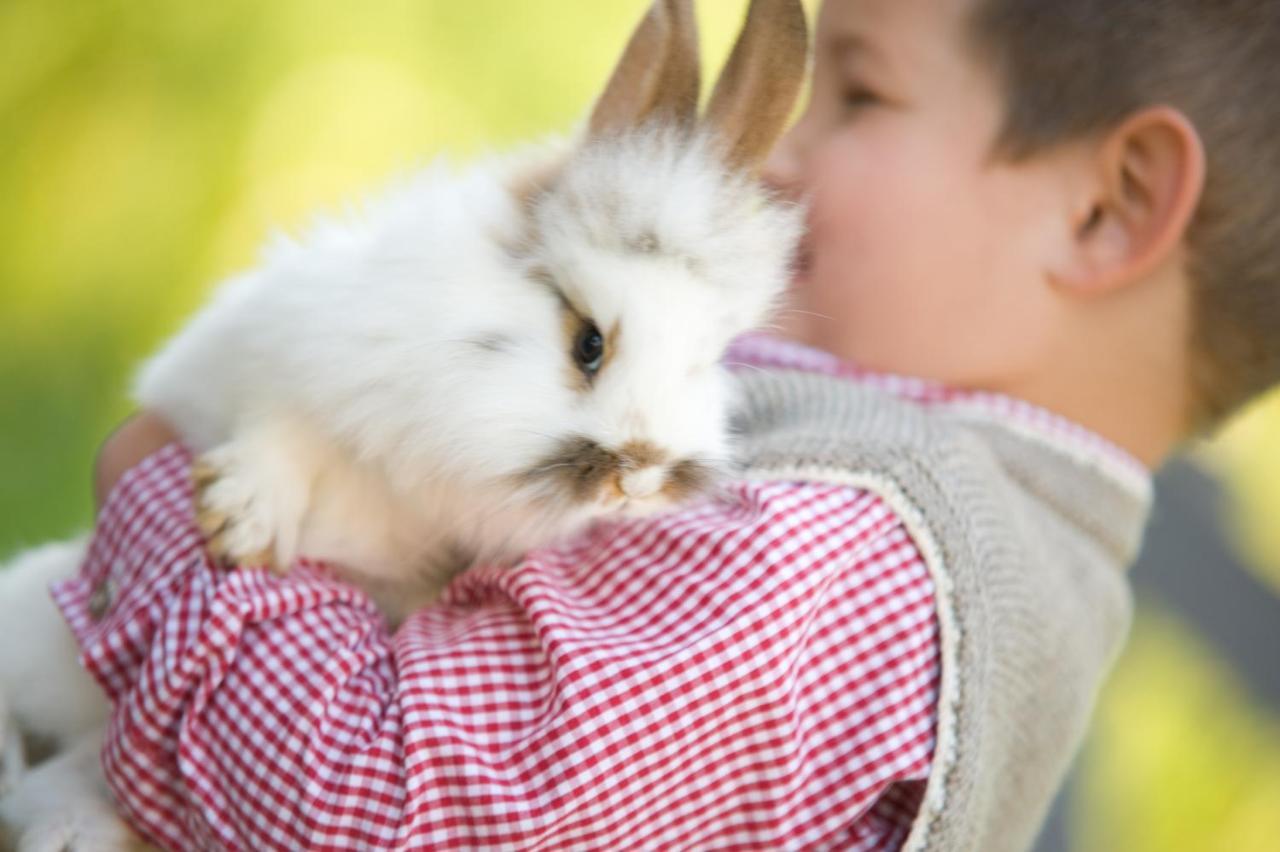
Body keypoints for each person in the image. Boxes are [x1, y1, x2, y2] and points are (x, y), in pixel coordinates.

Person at [42, 0, 1280, 849]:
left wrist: (164, 507)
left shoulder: (852, 558)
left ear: (1107, 211)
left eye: (858, 92)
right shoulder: (932, 514)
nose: (780, 159)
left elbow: (363, 802)